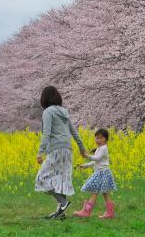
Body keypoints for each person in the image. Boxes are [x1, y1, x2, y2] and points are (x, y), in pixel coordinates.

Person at [34, 85, 88, 220]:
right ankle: (60, 212)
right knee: (60, 180)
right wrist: (81, 148)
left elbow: (46, 133)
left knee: (41, 179)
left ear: (44, 99)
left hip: (56, 149)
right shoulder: (64, 111)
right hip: (67, 150)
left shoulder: (48, 112)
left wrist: (40, 152)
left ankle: (63, 203)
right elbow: (73, 131)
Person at [73, 128, 117, 219]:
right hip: (100, 173)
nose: (98, 140)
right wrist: (85, 165)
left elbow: (97, 159)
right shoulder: (100, 149)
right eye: (97, 138)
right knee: (103, 193)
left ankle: (87, 211)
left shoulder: (104, 148)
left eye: (101, 138)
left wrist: (87, 156)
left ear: (106, 139)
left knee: (96, 192)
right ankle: (109, 213)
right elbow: (96, 162)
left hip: (103, 173)